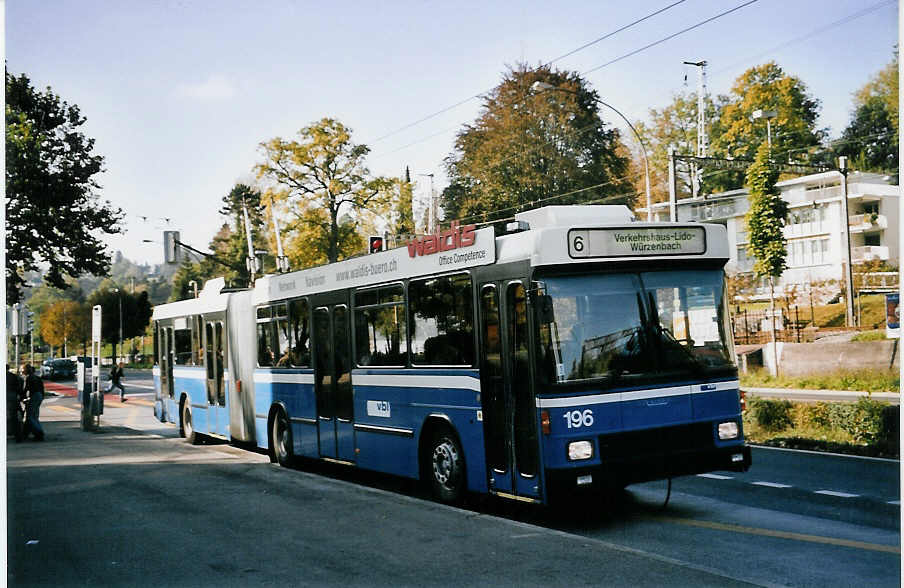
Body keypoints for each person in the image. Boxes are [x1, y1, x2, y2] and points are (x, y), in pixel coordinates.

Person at [20, 363, 44, 441]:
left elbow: (26, 389)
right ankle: (31, 431)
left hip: (34, 396)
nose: (22, 372)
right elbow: (42, 389)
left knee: (30, 416)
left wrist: (22, 397)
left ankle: (39, 432)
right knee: (34, 415)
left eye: (22, 370)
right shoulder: (37, 377)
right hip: (39, 396)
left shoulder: (29, 378)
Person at [7, 364, 24, 442]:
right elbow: (18, 388)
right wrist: (21, 397)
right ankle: (18, 436)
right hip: (12, 397)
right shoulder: (13, 376)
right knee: (14, 417)